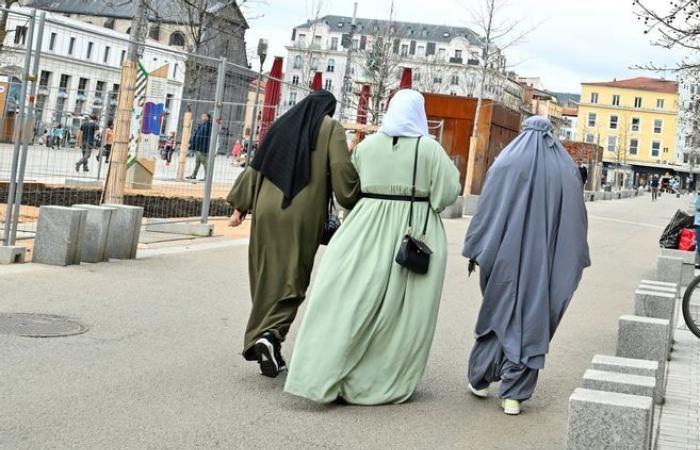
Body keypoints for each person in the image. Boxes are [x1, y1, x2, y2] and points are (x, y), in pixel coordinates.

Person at [284, 90, 461, 405]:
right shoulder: (430, 149)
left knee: (348, 303)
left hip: (362, 230)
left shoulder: (367, 146)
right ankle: (376, 380)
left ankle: (322, 375)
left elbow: (350, 189)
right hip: (412, 230)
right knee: (402, 313)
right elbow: (447, 192)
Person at [226, 90, 361, 377]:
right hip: (301, 213)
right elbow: (340, 168)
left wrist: (239, 206)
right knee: (292, 278)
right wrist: (353, 198)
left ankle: (262, 338)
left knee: (266, 274)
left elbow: (256, 165)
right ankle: (271, 335)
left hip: (264, 210)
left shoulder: (281, 125)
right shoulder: (330, 128)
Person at [462, 116, 590, 415]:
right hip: (546, 261)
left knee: (500, 312)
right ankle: (514, 395)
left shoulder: (506, 163)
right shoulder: (566, 169)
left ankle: (480, 378)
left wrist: (477, 247)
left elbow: (488, 210)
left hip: (504, 257)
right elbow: (575, 221)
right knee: (532, 318)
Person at [186, 113, 212, 181]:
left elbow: (204, 137)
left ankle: (207, 177)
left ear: (208, 118)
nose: (202, 117)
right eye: (202, 116)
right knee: (197, 162)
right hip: (198, 147)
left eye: (204, 116)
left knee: (205, 163)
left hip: (203, 148)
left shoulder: (208, 125)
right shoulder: (202, 125)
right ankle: (193, 175)